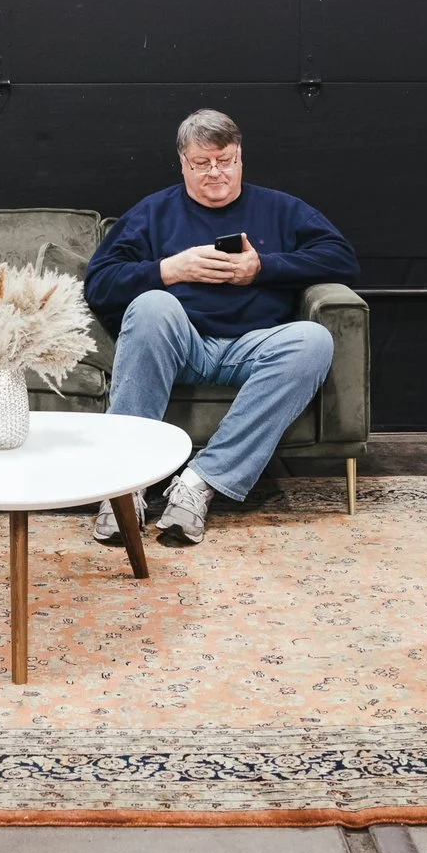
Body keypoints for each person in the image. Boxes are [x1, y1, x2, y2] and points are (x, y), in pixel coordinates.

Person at [83, 109, 359, 546]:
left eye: (225, 160)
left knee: (313, 339)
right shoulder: (153, 212)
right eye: (202, 163)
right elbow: (98, 284)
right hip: (181, 346)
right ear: (183, 163)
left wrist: (262, 266)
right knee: (153, 305)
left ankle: (199, 483)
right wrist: (168, 270)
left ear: (240, 157)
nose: (216, 172)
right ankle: (124, 485)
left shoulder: (280, 208)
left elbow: (342, 258)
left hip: (252, 348)